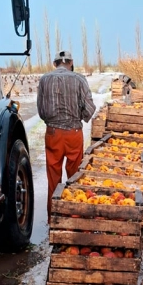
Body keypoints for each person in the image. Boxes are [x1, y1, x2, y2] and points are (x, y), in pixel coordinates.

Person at [37, 50, 96, 219]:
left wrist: (52, 121)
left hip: (53, 134)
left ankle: (53, 217)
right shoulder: (79, 79)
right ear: (70, 63)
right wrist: (81, 117)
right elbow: (90, 108)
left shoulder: (44, 80)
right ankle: (73, 216)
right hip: (73, 134)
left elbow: (41, 110)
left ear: (55, 63)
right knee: (75, 175)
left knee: (53, 175)